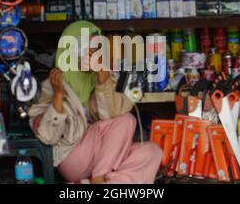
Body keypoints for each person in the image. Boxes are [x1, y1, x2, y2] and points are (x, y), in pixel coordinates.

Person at [28, 21, 162, 184]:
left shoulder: (101, 77)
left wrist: (102, 74)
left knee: (151, 152)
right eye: (86, 47)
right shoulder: (51, 84)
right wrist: (58, 96)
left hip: (104, 156)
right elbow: (47, 137)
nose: (92, 52)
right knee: (127, 120)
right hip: (72, 158)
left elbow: (113, 113)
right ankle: (99, 179)